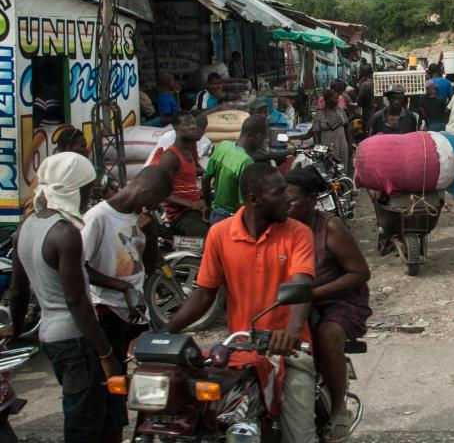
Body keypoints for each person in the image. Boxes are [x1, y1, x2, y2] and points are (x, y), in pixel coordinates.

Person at [160, 163, 317, 442]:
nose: (287, 198)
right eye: (279, 192)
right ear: (254, 199)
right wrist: (165, 333)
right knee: (205, 419)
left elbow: (300, 285)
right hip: (241, 348)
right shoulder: (220, 234)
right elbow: (204, 294)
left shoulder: (297, 233)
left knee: (300, 435)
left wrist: (291, 333)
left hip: (289, 350)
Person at [7, 152, 124, 442]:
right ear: (75, 190)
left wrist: (18, 332)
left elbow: (18, 291)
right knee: (83, 418)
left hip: (51, 337)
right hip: (75, 340)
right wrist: (106, 354)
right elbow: (77, 302)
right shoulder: (65, 233)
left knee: (93, 413)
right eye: (88, 190)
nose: (89, 198)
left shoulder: (27, 227)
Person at [81, 166, 173, 438]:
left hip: (135, 309)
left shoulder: (140, 217)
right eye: (154, 202)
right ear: (144, 191)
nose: (153, 208)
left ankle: (132, 429)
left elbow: (151, 265)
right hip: (106, 309)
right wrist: (120, 286)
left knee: (149, 375)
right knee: (111, 379)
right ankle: (111, 430)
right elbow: (80, 268)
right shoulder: (98, 217)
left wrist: (152, 232)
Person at [284, 167, 371, 442]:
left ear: (311, 199)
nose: (286, 207)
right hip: (297, 299)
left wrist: (315, 293)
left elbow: (359, 273)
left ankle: (337, 411)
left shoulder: (329, 226)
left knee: (326, 336)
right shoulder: (281, 228)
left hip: (339, 301)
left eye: (292, 201)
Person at [151, 111, 209, 237]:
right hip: (180, 215)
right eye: (187, 124)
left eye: (193, 123)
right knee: (207, 237)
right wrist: (191, 203)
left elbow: (192, 171)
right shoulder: (170, 157)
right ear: (176, 127)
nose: (193, 127)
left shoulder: (189, 150)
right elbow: (162, 193)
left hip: (194, 209)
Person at [202, 115, 268, 225]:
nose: (264, 142)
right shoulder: (246, 162)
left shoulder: (223, 146)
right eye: (265, 138)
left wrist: (207, 206)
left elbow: (205, 179)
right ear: (258, 136)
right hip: (231, 221)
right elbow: (244, 204)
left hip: (215, 216)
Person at [23, 128, 90, 220]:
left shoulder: (81, 170)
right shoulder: (49, 172)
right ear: (69, 148)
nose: (87, 151)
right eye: (83, 146)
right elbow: (32, 208)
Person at [143, 110, 213, 169]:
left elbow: (195, 166)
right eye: (202, 129)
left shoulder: (197, 142)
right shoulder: (169, 140)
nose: (204, 132)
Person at [310, 89, 353, 166]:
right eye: (335, 98)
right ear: (328, 99)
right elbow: (316, 132)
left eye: (337, 98)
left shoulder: (341, 111)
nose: (337, 101)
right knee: (330, 169)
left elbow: (347, 128)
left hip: (342, 145)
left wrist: (350, 144)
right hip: (327, 148)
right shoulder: (320, 114)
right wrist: (318, 149)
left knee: (342, 168)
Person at [356, 64, 375, 132]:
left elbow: (359, 102)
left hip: (368, 114)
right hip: (379, 112)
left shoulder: (366, 85)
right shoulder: (377, 82)